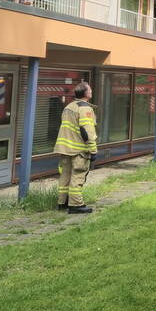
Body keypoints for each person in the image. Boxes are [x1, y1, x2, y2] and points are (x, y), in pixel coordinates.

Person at [54, 81, 98, 214]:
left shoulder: (68, 107)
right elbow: (87, 131)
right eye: (89, 89)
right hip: (78, 150)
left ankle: (62, 202)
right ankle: (76, 205)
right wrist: (93, 149)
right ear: (85, 93)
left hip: (64, 148)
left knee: (65, 175)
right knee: (77, 175)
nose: (91, 91)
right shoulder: (85, 109)